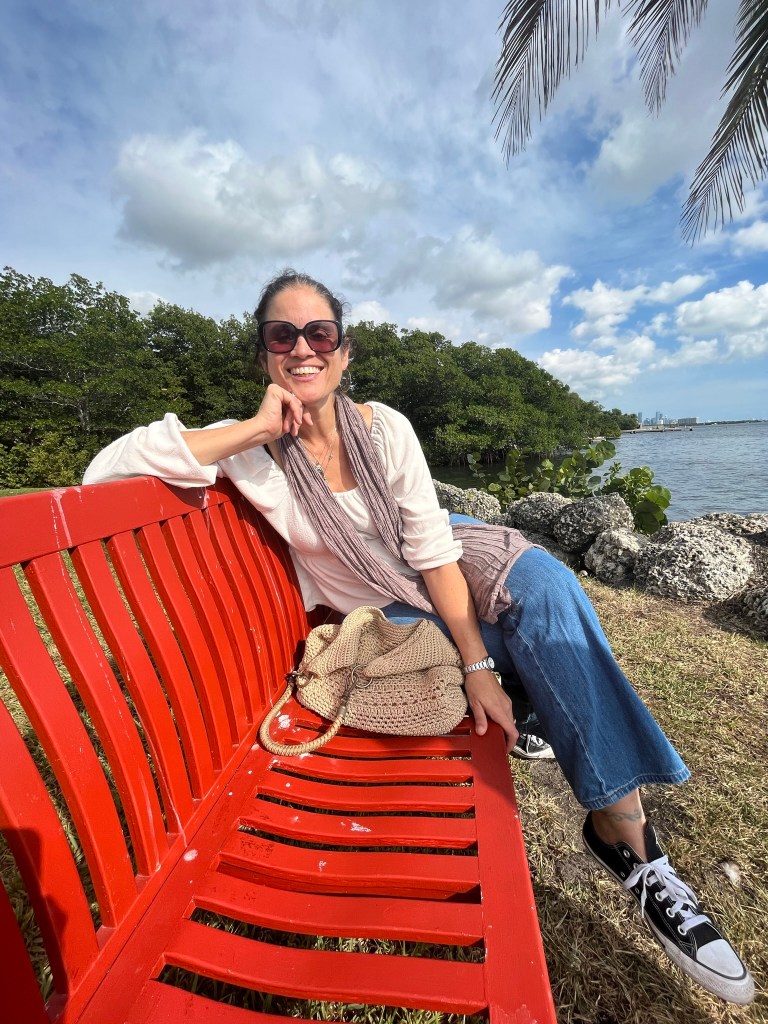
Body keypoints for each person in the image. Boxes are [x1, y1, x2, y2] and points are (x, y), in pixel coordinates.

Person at [83, 270, 754, 1006]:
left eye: (320, 334)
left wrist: (477, 665)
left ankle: (625, 831)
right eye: (283, 335)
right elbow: (103, 472)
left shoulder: (384, 428)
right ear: (264, 355)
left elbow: (434, 552)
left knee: (549, 592)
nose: (303, 348)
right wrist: (255, 428)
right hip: (383, 605)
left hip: (447, 552)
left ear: (344, 353)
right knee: (522, 642)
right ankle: (588, 785)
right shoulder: (251, 457)